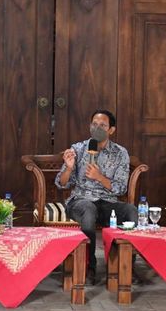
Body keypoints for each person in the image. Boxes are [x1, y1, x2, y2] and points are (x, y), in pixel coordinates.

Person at [55, 109, 138, 285]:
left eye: (102, 125)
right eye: (94, 124)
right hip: (80, 201)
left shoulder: (120, 153)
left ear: (111, 130)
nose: (97, 128)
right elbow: (61, 183)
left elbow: (121, 188)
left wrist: (99, 177)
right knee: (89, 209)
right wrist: (69, 167)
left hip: (108, 203)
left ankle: (126, 265)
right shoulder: (78, 149)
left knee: (130, 210)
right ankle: (89, 266)